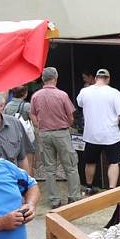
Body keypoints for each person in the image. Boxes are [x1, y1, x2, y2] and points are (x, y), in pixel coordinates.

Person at [30, 67, 81, 208]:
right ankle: (74, 197)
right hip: (61, 132)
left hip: (45, 133)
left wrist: (39, 126)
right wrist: (67, 124)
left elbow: (32, 114)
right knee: (70, 166)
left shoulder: (35, 96)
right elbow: (71, 116)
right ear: (55, 78)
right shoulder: (62, 95)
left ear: (43, 79)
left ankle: (54, 200)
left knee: (49, 169)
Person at [77, 68, 120, 193]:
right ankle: (111, 189)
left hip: (91, 134)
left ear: (95, 78)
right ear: (108, 79)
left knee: (90, 162)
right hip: (110, 134)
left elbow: (80, 104)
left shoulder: (84, 92)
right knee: (114, 162)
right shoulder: (114, 92)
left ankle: (89, 187)